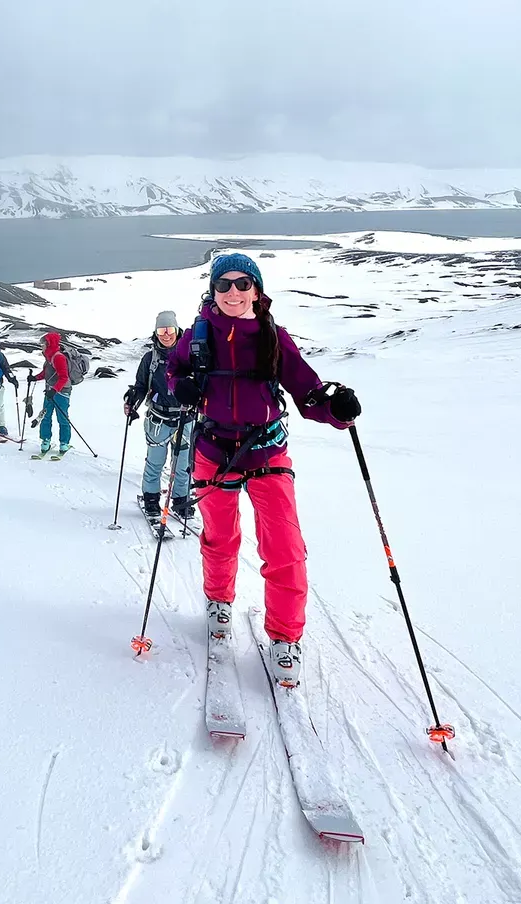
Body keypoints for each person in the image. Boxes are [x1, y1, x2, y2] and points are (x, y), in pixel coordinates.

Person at [167, 253, 362, 688]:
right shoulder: (198, 336)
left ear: (256, 290)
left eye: (242, 283)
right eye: (224, 284)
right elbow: (174, 369)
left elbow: (309, 394)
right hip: (214, 449)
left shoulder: (275, 337)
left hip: (266, 452)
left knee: (285, 547)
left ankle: (285, 638)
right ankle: (219, 601)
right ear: (213, 291)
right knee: (220, 536)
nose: (232, 292)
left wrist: (337, 410)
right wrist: (180, 385)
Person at [124, 310, 195, 521]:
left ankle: (181, 500)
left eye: (169, 329)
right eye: (162, 330)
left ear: (177, 330)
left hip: (186, 418)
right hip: (158, 419)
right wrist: (132, 400)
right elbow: (140, 385)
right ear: (156, 332)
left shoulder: (189, 356)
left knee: (183, 464)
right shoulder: (150, 359)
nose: (166, 335)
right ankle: (151, 499)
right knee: (155, 461)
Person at [26, 330, 73, 457]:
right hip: (50, 391)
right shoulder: (49, 356)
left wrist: (54, 390)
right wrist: (35, 378)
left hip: (61, 392)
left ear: (49, 343)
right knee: (45, 416)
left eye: (43, 343)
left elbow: (63, 377)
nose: (42, 345)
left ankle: (64, 443)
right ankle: (45, 441)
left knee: (62, 418)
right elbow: (47, 373)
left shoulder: (58, 357)